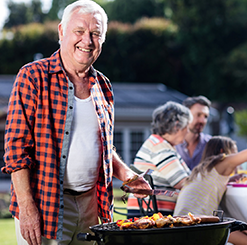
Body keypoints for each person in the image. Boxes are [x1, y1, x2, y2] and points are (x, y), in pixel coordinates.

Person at [1, 1, 151, 244]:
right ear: (61, 31)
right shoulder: (33, 76)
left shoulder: (103, 86)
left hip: (92, 204)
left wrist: (129, 175)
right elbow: (16, 150)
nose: (87, 41)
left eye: (95, 34)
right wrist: (27, 209)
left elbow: (103, 146)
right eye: (79, 31)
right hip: (45, 205)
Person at [128, 101, 192, 216]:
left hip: (146, 212)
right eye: (187, 127)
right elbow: (182, 182)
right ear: (177, 126)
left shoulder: (157, 143)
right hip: (154, 216)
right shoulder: (161, 147)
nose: (188, 131)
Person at [175, 96, 212, 170]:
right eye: (198, 115)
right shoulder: (172, 144)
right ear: (185, 115)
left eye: (205, 117)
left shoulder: (211, 144)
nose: (202, 121)